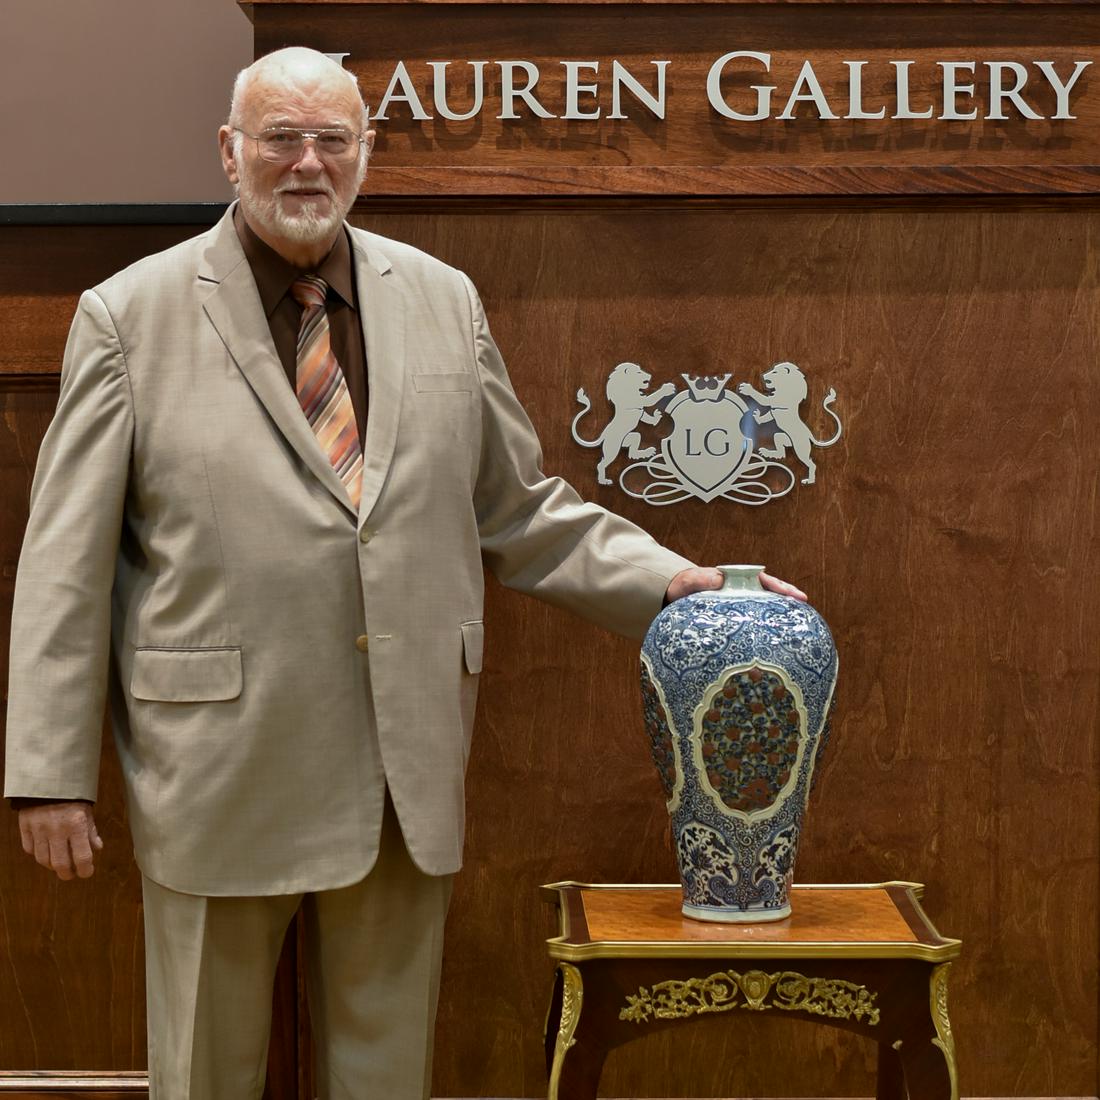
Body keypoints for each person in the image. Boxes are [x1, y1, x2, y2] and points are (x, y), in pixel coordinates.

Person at [4, 48, 805, 1100]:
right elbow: (65, 562)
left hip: (401, 767)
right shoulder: (128, 314)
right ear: (229, 151)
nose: (306, 164)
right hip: (212, 768)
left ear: (365, 153)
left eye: (331, 140)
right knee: (202, 1071)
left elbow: (518, 505)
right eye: (280, 138)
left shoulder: (441, 299)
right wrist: (50, 772)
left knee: (385, 1076)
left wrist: (671, 580)